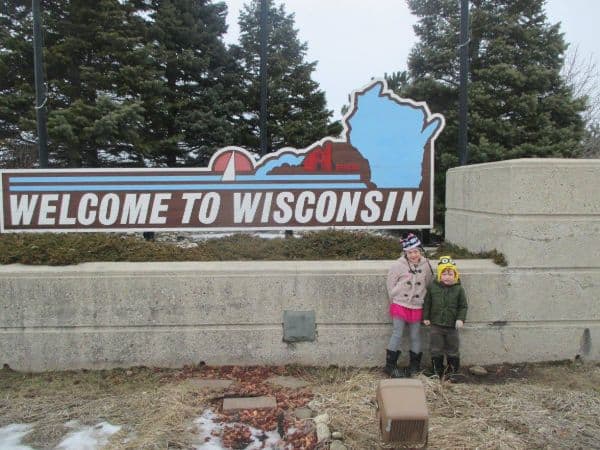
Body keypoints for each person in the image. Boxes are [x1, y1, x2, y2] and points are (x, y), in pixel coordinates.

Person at [384, 233, 434, 378]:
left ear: (420, 251)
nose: (413, 255)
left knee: (415, 335)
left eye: (416, 251)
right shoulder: (398, 265)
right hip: (400, 303)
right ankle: (390, 366)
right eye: (410, 252)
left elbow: (429, 283)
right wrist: (394, 296)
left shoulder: (426, 265)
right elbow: (390, 284)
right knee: (397, 333)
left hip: (417, 305)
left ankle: (414, 367)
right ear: (405, 253)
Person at [423, 256, 468, 380]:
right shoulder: (433, 287)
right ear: (439, 275)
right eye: (444, 274)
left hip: (452, 326)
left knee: (452, 348)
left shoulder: (458, 289)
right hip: (436, 325)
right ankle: (437, 370)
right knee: (435, 348)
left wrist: (460, 319)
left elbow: (463, 306)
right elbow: (427, 303)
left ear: (455, 275)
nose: (447, 277)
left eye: (450, 274)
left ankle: (452, 371)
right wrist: (426, 317)